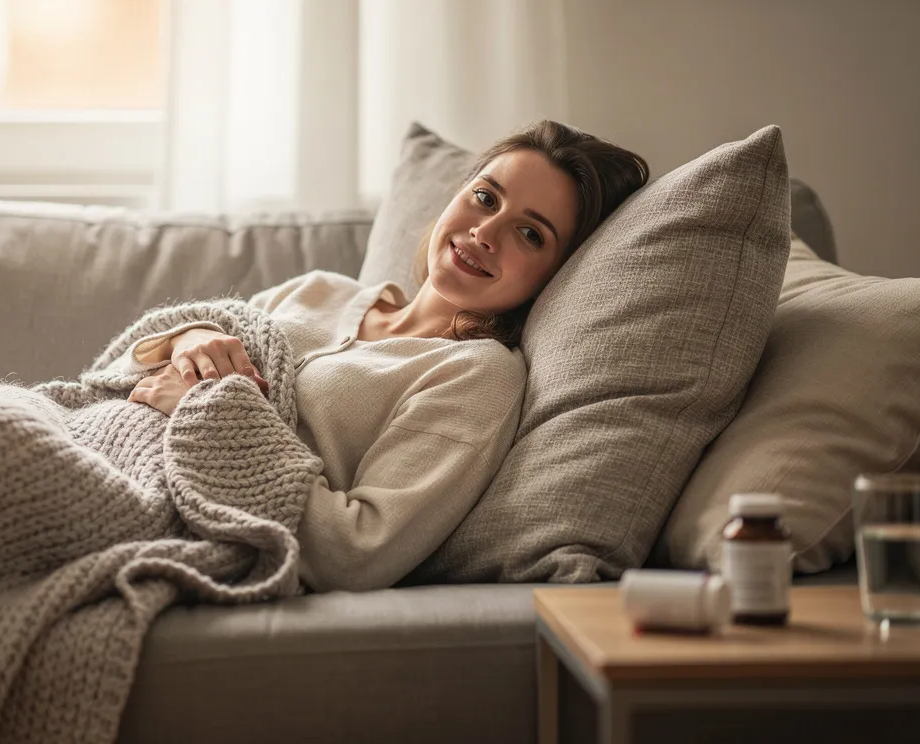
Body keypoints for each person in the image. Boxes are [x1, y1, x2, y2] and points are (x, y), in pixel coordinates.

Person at [122, 121, 650, 593]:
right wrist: (188, 339)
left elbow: (356, 553)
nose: (485, 232)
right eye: (486, 198)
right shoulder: (320, 290)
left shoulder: (475, 374)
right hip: (102, 434)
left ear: (555, 275)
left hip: (153, 507)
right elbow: (124, 372)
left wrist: (209, 413)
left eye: (530, 234)